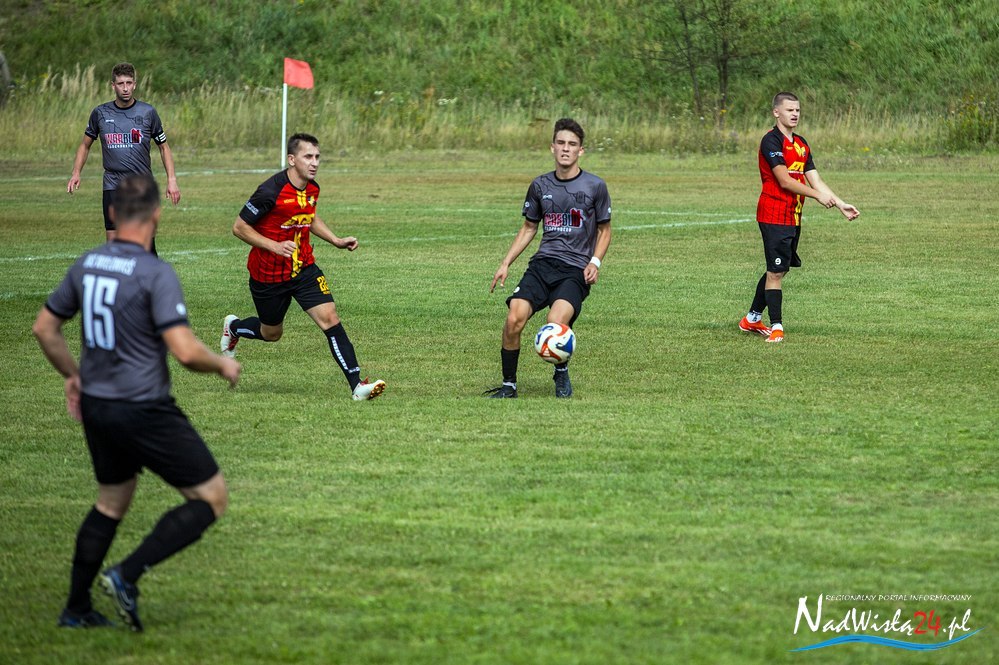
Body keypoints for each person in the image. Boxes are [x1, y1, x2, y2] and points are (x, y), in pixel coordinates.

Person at [32, 174, 241, 632]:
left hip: (98, 406)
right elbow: (185, 352)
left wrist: (73, 376)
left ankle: (76, 609)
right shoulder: (154, 273)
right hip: (143, 408)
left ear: (112, 213)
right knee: (211, 498)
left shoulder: (87, 263)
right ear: (156, 215)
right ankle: (126, 575)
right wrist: (222, 364)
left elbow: (45, 328)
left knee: (111, 502)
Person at [219, 132, 385, 401]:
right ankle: (235, 327)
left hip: (304, 268)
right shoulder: (270, 191)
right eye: (308, 156)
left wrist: (335, 240)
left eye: (317, 157)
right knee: (271, 333)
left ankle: (357, 386)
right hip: (268, 275)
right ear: (291, 159)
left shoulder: (312, 188)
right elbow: (239, 227)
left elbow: (309, 216)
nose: (314, 162)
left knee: (330, 319)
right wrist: (274, 246)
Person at [485, 118, 612, 398]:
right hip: (542, 265)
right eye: (561, 143)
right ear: (552, 147)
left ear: (580, 150)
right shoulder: (540, 185)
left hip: (575, 270)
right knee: (514, 318)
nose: (566, 148)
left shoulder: (595, 186)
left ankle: (561, 371)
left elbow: (604, 231)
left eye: (572, 144)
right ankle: (509, 386)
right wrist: (505, 263)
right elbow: (529, 227)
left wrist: (595, 262)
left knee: (555, 322)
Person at [739, 92, 860, 343]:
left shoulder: (801, 144)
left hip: (792, 216)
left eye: (797, 110)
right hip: (773, 214)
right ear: (776, 112)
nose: (795, 114)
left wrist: (840, 203)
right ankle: (777, 327)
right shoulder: (771, 141)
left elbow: (815, 179)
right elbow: (784, 180)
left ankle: (751, 319)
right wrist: (817, 196)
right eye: (789, 110)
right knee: (775, 271)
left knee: (779, 269)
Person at [67, 62, 180, 255]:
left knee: (146, 244)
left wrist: (172, 180)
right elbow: (85, 145)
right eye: (121, 83)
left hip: (141, 185)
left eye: (129, 83)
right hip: (113, 184)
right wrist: (76, 173)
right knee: (113, 245)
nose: (125, 88)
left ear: (135, 84)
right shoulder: (100, 113)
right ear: (113, 86)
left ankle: (148, 273)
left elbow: (164, 147)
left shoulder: (148, 112)